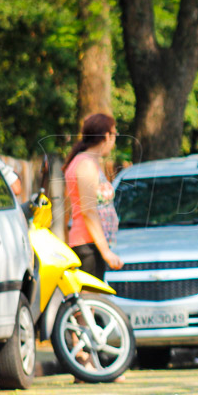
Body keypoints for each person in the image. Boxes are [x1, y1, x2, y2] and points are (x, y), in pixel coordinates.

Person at [63, 113, 123, 281]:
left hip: (91, 244)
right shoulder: (86, 164)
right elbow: (88, 211)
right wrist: (106, 252)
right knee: (90, 302)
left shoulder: (89, 162)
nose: (115, 140)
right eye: (115, 134)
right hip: (87, 245)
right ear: (106, 136)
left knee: (92, 304)